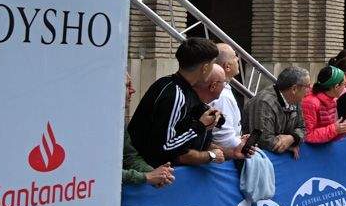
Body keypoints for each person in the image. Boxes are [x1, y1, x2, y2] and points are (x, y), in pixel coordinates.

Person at [128, 36, 223, 167]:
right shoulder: (175, 94)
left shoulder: (170, 85)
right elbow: (165, 146)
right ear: (205, 68)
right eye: (213, 64)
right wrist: (200, 126)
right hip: (150, 172)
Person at [121, 69, 174, 189]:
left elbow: (130, 157)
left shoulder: (119, 119)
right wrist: (146, 177)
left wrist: (156, 173)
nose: (132, 90)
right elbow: (102, 172)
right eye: (127, 85)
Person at [243, 65, 310, 158]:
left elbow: (303, 128)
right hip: (257, 158)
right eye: (307, 86)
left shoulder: (295, 100)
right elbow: (263, 140)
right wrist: (287, 146)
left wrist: (291, 138)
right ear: (294, 89)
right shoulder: (264, 102)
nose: (309, 91)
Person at [302, 65, 346, 145]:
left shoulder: (332, 100)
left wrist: (344, 129)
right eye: (344, 83)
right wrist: (335, 129)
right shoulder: (310, 103)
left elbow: (328, 135)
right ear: (336, 87)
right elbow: (307, 136)